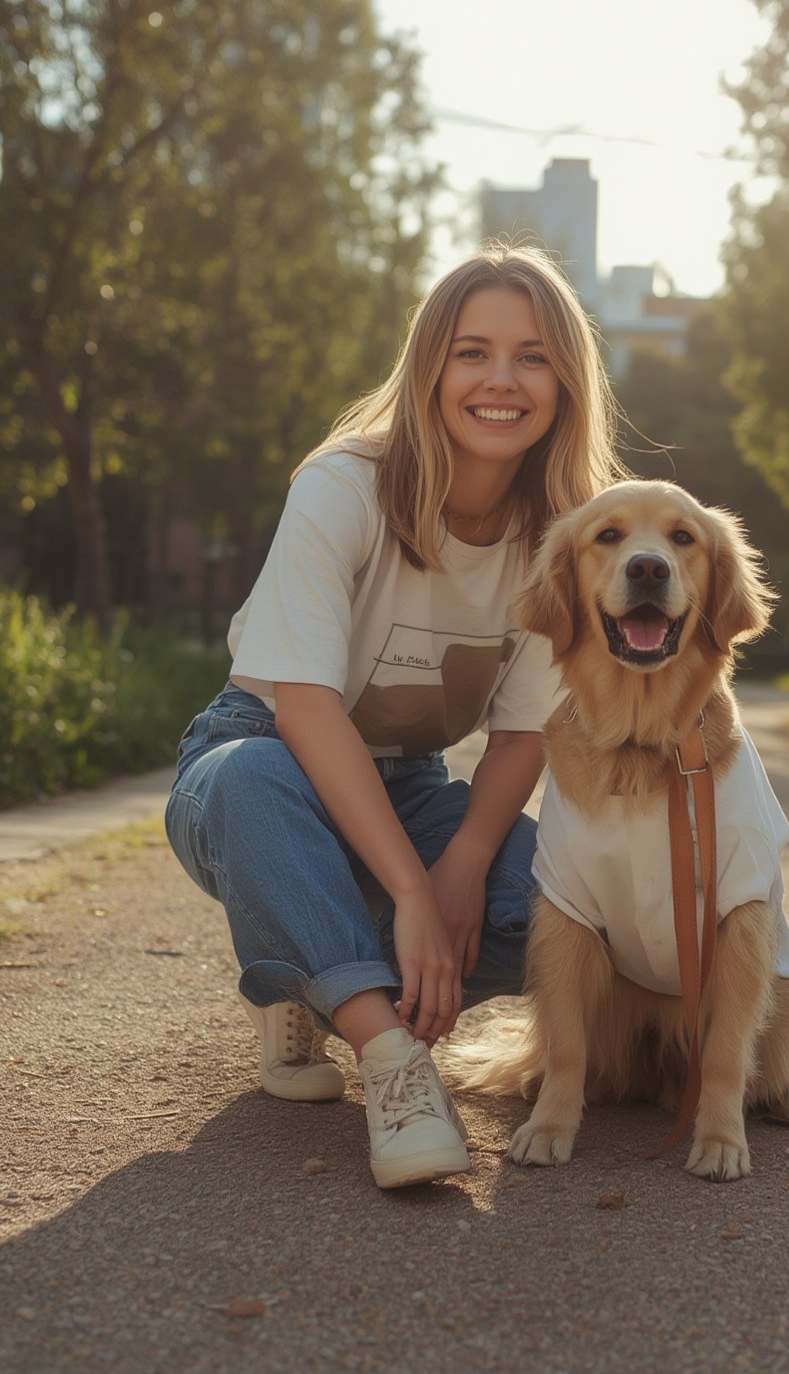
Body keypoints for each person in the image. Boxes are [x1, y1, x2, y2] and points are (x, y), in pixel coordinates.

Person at [165, 244, 626, 1189]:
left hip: (409, 784)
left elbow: (524, 733)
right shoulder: (343, 484)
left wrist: (459, 869)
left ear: (566, 384)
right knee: (253, 779)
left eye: (533, 357)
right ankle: (390, 1060)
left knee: (561, 901)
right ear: (429, 367)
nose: (501, 380)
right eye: (472, 352)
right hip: (263, 760)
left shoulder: (566, 535)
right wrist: (413, 897)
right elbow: (304, 708)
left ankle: (304, 963)